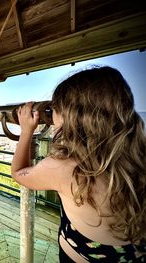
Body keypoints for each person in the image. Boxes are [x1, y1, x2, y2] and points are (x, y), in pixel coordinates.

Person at [11, 66, 146, 262]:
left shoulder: (63, 167)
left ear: (71, 115)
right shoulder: (138, 155)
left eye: (54, 109)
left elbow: (19, 173)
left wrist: (26, 131)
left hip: (81, 255)